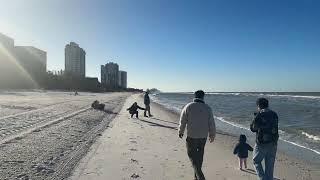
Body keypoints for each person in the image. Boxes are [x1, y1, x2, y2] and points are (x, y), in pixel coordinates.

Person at [178, 90, 216, 180]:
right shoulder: (207, 108)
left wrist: (181, 131)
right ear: (203, 97)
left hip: (192, 136)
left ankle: (200, 176)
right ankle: (196, 177)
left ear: (194, 96)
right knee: (199, 156)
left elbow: (182, 120)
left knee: (191, 155)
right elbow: (211, 123)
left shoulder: (188, 106)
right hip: (203, 137)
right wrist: (212, 135)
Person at [250, 98, 279, 180]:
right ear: (267, 104)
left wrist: (255, 118)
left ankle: (263, 178)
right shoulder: (274, 114)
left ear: (259, 105)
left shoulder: (259, 114)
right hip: (273, 142)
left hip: (261, 143)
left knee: (256, 161)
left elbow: (253, 128)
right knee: (270, 165)